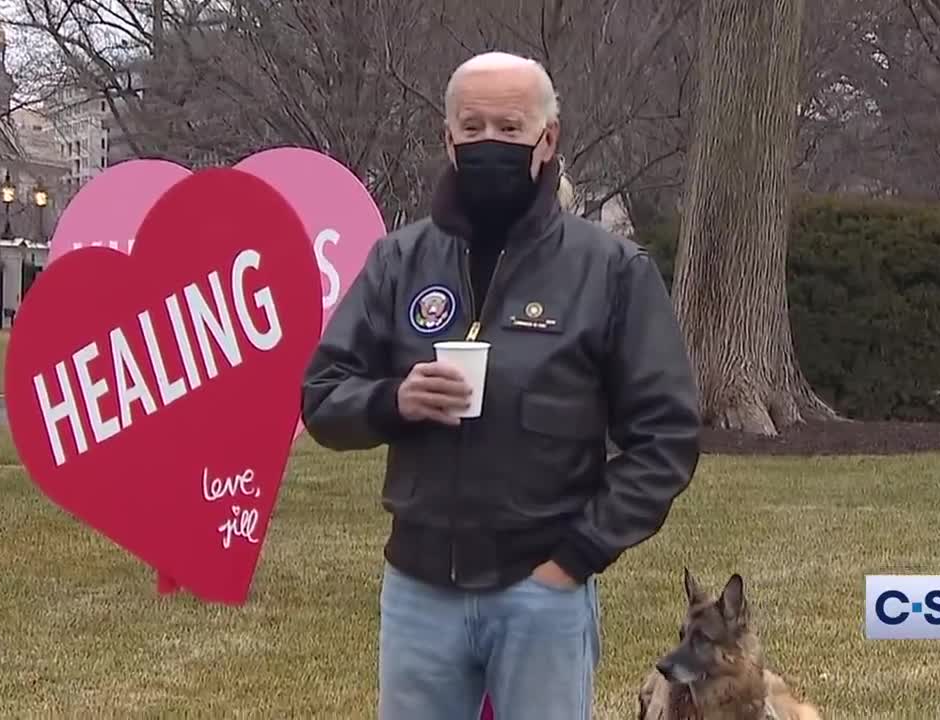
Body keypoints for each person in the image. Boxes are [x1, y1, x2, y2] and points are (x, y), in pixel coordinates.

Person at [301, 50, 702, 720]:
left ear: (548, 141)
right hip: (418, 590)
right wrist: (391, 400)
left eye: (510, 128)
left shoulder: (610, 270)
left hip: (541, 589)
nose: (491, 141)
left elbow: (666, 436)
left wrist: (578, 554)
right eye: (474, 125)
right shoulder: (400, 260)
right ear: (448, 138)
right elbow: (322, 396)